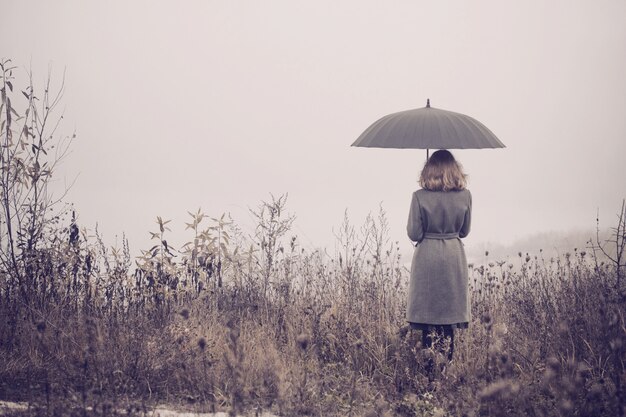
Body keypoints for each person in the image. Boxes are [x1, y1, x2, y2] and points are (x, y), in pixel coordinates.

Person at [406, 149, 471, 370]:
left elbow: (414, 233)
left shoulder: (419, 196)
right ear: (455, 171)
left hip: (428, 258)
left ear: (429, 171)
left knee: (427, 318)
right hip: (453, 257)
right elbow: (464, 231)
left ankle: (428, 375)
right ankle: (446, 372)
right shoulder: (465, 196)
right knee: (449, 321)